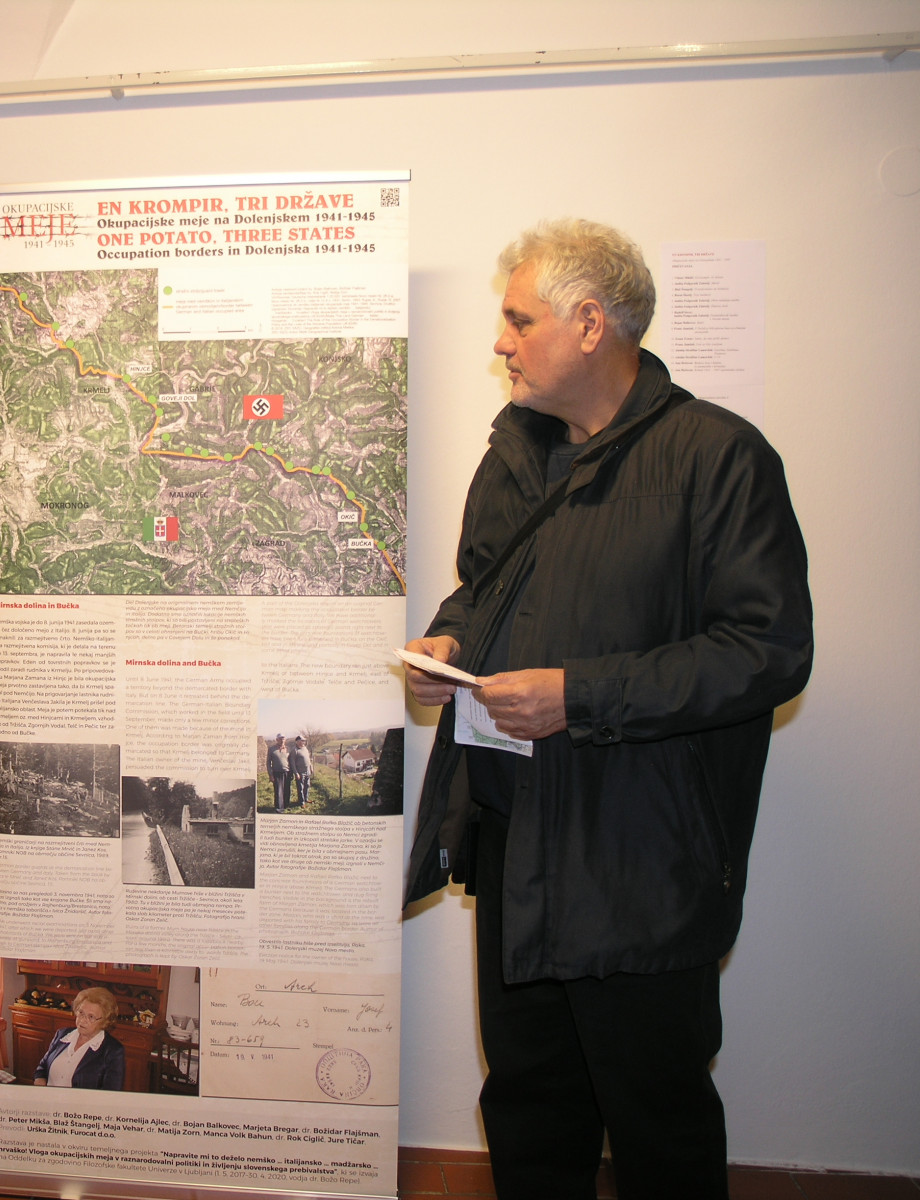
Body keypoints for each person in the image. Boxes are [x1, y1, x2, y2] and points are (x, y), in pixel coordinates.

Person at [402, 219, 812, 1200]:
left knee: (656, 1122)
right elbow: (481, 588)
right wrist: (449, 643)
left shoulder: (717, 458)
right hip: (513, 842)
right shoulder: (516, 453)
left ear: (589, 325)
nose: (499, 342)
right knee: (530, 1109)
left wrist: (577, 697)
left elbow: (767, 651)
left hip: (638, 864)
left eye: (519, 320)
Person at [32, 986, 127, 1090]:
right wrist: (39, 1080)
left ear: (105, 1021)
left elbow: (111, 1093)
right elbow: (43, 1066)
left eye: (91, 1017)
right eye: (81, 1013)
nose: (82, 1020)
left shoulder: (113, 1050)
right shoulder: (62, 1034)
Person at [265, 734, 290, 813]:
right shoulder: (271, 749)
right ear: (277, 739)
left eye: (283, 739)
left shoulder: (288, 749)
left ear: (285, 740)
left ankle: (286, 805)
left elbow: (290, 761)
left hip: (287, 772)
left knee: (287, 790)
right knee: (278, 791)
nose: (282, 740)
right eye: (280, 739)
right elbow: (268, 763)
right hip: (277, 773)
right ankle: (279, 808)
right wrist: (270, 775)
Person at [289, 734, 313, 809]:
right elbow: (292, 763)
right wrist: (296, 773)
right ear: (297, 742)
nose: (303, 742)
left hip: (307, 771)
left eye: (303, 741)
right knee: (300, 787)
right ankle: (301, 802)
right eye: (301, 741)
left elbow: (308, 759)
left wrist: (311, 767)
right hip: (300, 772)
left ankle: (306, 799)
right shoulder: (294, 750)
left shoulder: (305, 748)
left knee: (307, 785)